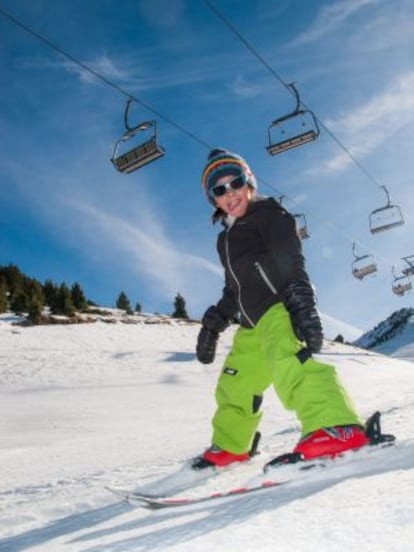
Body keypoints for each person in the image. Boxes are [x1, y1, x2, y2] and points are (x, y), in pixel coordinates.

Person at [193, 148, 370, 470]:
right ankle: (232, 446)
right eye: (219, 190)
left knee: (292, 365)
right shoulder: (226, 240)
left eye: (236, 183)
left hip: (277, 309)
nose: (230, 193)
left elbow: (289, 257)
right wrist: (213, 324)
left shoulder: (270, 214)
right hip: (250, 326)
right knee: (235, 385)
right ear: (213, 200)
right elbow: (234, 289)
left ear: (249, 183)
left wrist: (301, 300)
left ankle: (336, 426)